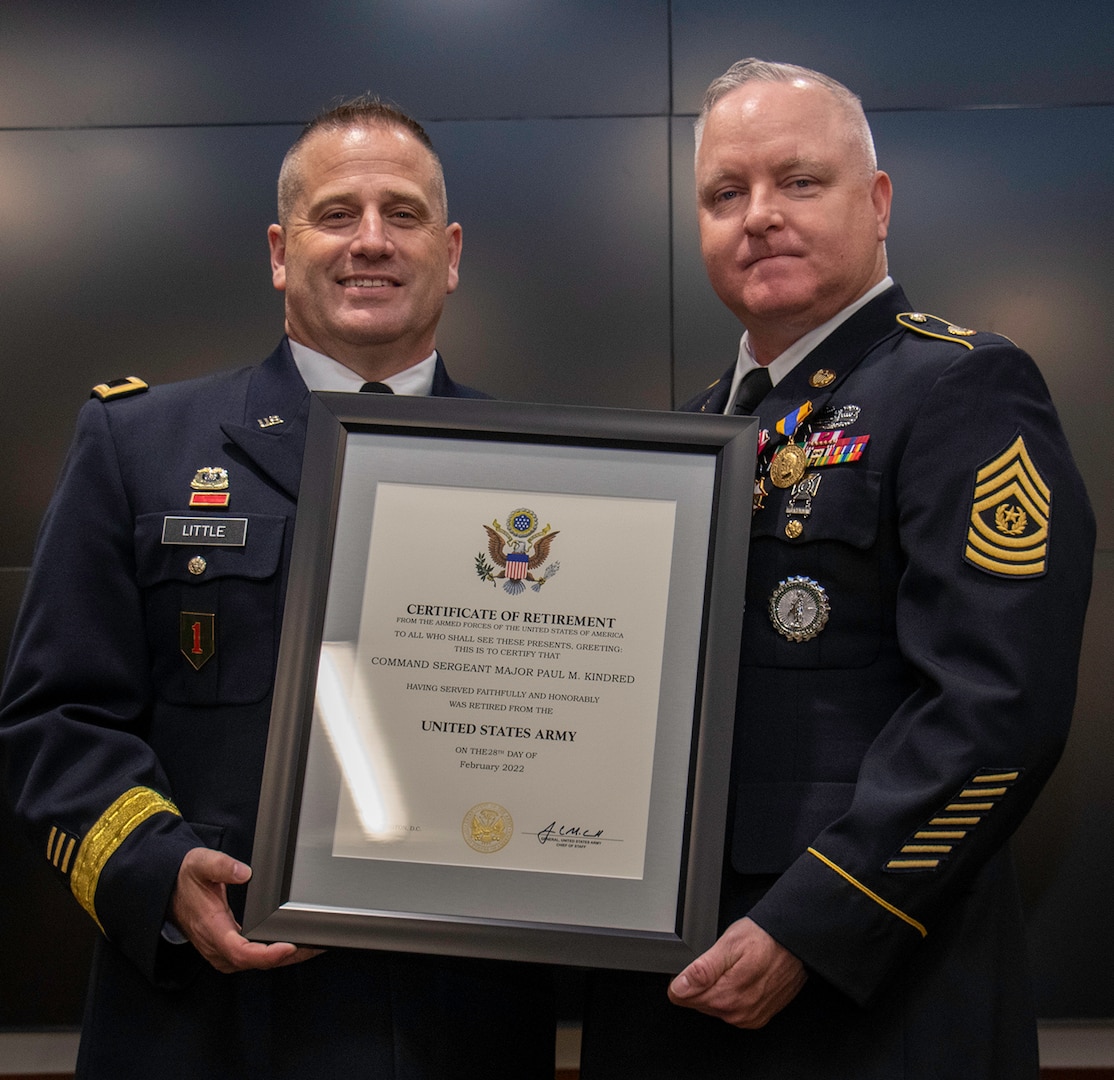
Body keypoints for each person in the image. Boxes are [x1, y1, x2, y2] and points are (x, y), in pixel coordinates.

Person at [0, 98, 553, 1078]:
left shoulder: (552, 474)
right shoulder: (139, 445)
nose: (370, 242)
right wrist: (156, 870)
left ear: (452, 248)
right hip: (206, 1025)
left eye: (404, 213)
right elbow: (52, 720)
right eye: (337, 214)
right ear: (279, 248)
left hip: (459, 1024)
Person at [580, 59, 1095, 1079]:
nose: (758, 215)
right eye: (726, 194)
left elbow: (997, 707)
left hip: (870, 990)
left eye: (798, 182)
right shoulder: (683, 435)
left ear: (878, 201)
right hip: (661, 987)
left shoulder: (959, 388)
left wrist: (818, 920)